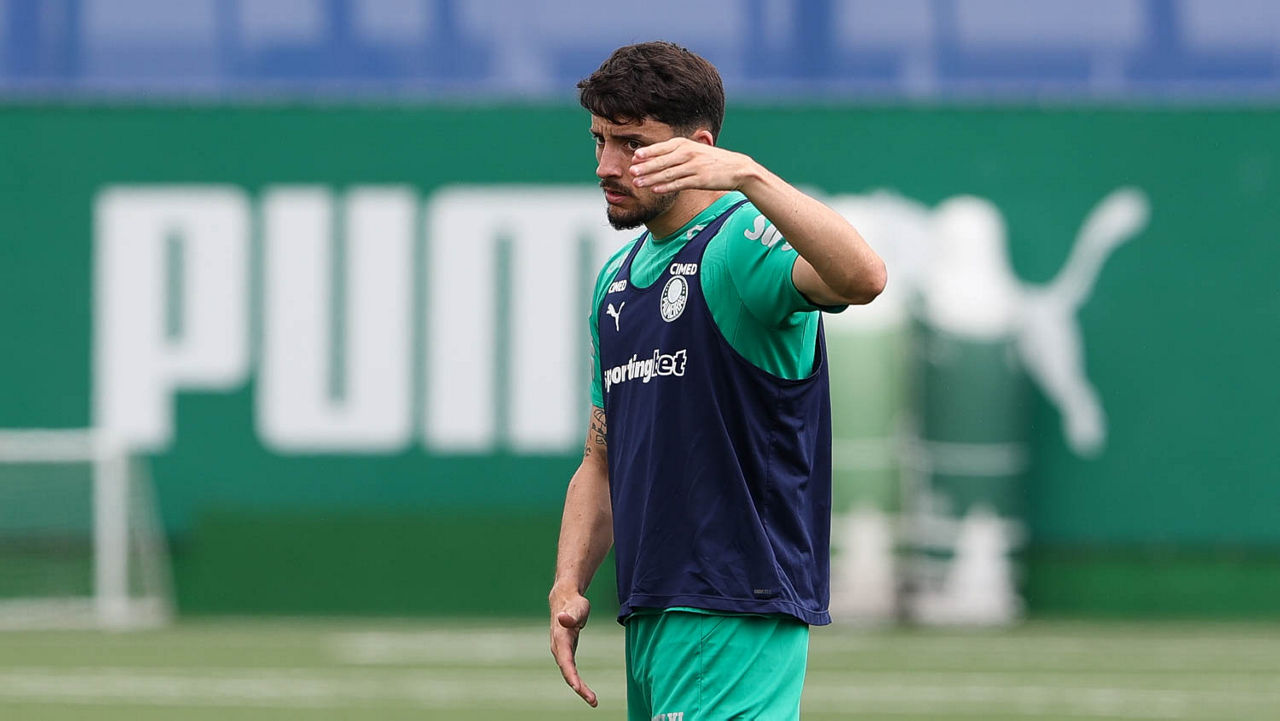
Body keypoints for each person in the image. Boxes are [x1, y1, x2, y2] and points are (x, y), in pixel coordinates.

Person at [549, 41, 886, 720]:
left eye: (632, 144)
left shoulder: (738, 245)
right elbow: (601, 459)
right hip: (653, 610)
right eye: (599, 140)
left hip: (732, 607)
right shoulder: (616, 281)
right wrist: (569, 582)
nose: (607, 165)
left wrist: (748, 175)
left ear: (699, 148)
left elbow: (864, 277)